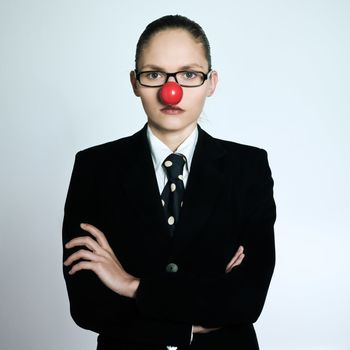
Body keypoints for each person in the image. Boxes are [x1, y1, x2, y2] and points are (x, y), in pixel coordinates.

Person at [62, 14, 276, 350]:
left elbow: (246, 300)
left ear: (211, 82)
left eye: (189, 74)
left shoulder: (248, 168)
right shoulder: (95, 168)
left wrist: (131, 285)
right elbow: (89, 305)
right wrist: (190, 323)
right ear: (135, 82)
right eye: (154, 74)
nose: (170, 92)